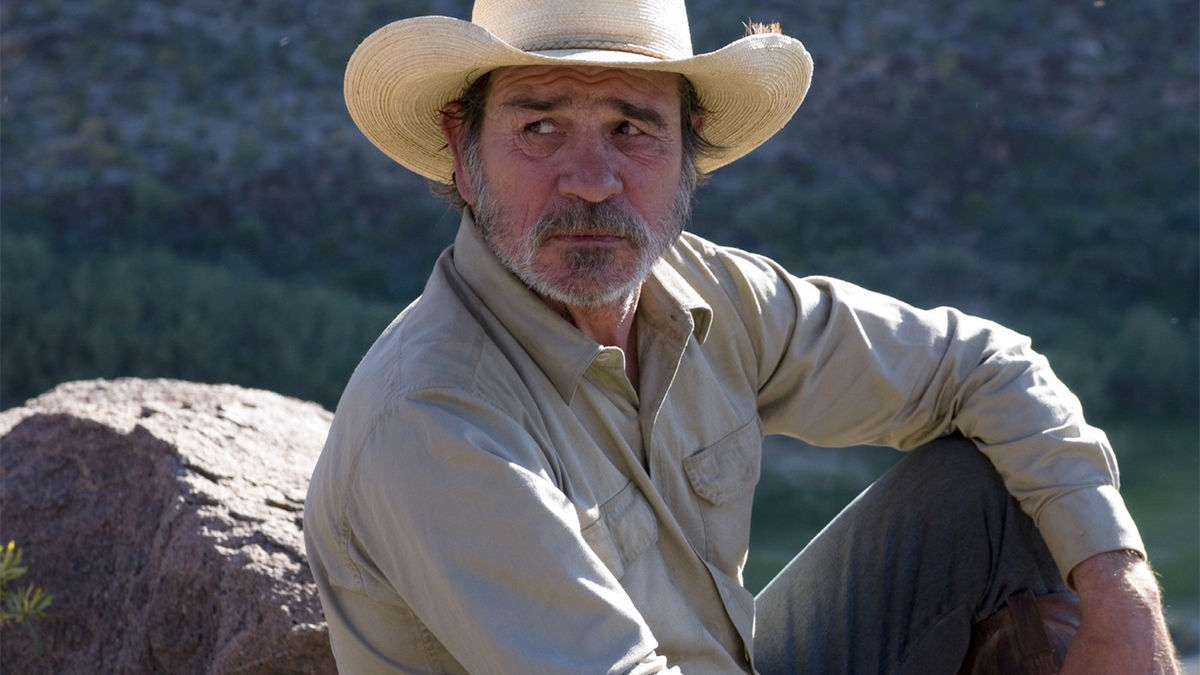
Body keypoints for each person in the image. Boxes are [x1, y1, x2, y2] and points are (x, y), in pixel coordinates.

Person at [304, 0, 1179, 672]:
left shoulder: (704, 291)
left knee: (990, 491)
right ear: (463, 152)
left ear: (689, 149)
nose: (594, 181)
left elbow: (986, 368)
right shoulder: (433, 415)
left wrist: (1122, 590)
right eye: (539, 127)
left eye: (631, 128)